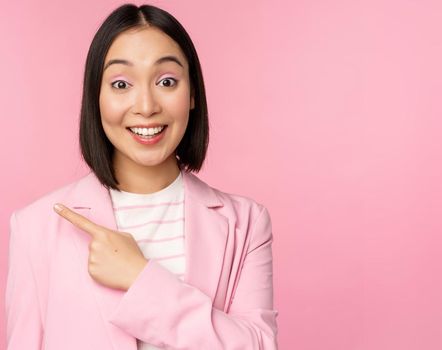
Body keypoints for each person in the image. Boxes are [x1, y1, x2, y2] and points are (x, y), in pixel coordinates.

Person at [5, 4, 279, 349]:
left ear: (192, 93)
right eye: (121, 84)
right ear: (97, 97)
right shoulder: (35, 228)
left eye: (167, 81)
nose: (146, 105)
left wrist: (140, 279)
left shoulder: (247, 223)